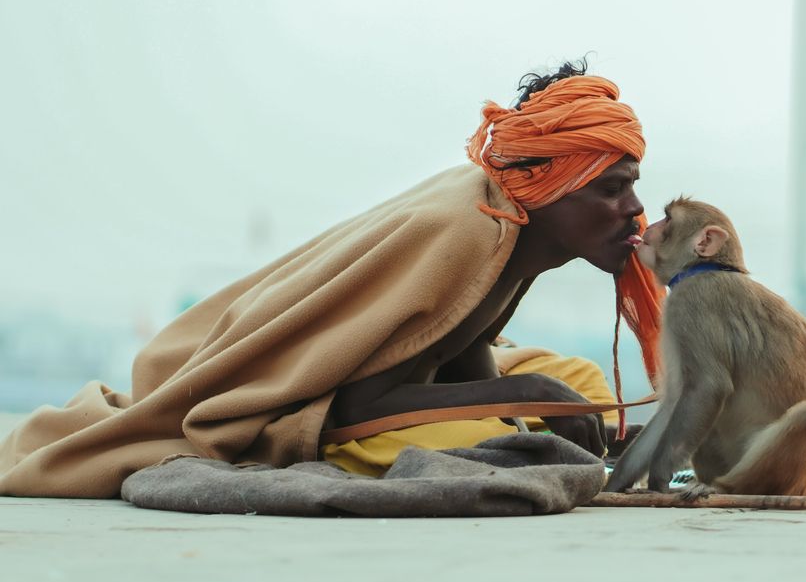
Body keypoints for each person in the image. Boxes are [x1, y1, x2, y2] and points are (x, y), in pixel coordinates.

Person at [0, 59, 662, 497]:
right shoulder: (470, 228)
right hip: (307, 400)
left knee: (576, 384)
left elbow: (456, 346)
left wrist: (526, 401)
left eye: (631, 186)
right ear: (545, 185)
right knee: (500, 432)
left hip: (394, 380)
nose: (634, 210)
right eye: (612, 188)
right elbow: (355, 406)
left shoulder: (513, 227)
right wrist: (521, 397)